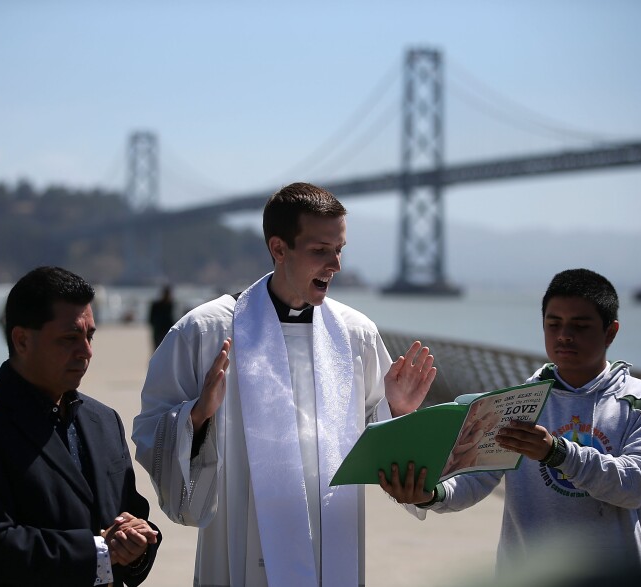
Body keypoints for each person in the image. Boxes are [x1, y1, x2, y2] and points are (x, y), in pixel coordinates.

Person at [131, 182, 437, 587]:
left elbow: (372, 438)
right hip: (242, 541)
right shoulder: (206, 331)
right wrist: (197, 418)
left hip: (332, 538)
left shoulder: (355, 334)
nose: (336, 265)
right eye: (320, 251)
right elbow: (153, 430)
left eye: (339, 249)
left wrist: (396, 413)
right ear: (279, 248)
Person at [381, 268, 641, 575]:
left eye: (580, 325)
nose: (564, 335)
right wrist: (431, 495)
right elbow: (474, 478)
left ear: (610, 332)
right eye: (553, 324)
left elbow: (637, 485)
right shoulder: (516, 403)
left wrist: (557, 453)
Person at [0, 266, 161, 587]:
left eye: (90, 336)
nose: (86, 351)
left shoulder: (104, 421)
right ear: (22, 340)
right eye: (70, 338)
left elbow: (131, 514)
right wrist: (100, 550)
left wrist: (136, 542)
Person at [147, 284, 175, 351]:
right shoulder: (156, 305)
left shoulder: (171, 305)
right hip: (158, 331)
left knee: (166, 351)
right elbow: (151, 319)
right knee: (157, 350)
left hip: (167, 331)